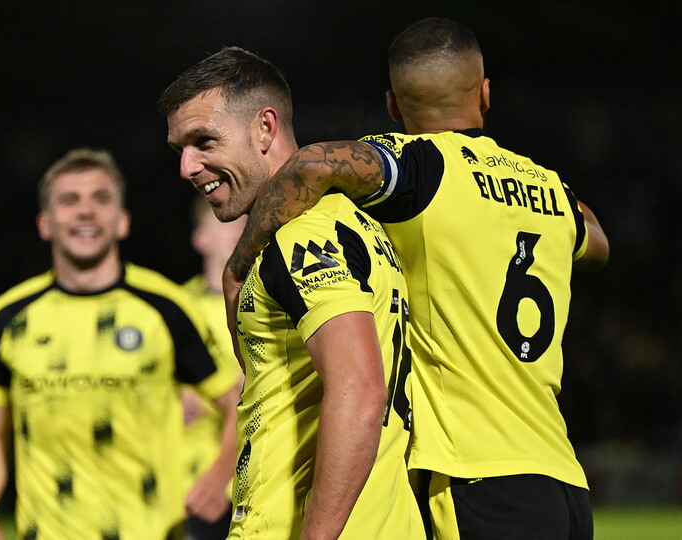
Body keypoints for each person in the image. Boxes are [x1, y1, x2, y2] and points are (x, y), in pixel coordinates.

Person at [221, 19, 610, 540]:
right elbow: (597, 242)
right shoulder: (549, 188)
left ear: (393, 106)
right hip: (561, 479)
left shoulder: (421, 168)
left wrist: (240, 262)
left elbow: (313, 163)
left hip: (474, 478)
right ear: (485, 93)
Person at [161, 47, 423, 540]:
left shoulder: (298, 237)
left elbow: (361, 391)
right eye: (181, 150)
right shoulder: (351, 222)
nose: (188, 167)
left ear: (265, 128)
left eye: (204, 142)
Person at [0, 149, 241, 540]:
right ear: (44, 223)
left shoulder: (166, 309)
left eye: (101, 199)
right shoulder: (8, 317)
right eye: (69, 200)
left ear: (123, 221)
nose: (86, 211)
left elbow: (237, 403)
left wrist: (218, 478)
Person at [180, 198, 246, 540]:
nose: (235, 230)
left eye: (242, 221)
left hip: (252, 487)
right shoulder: (176, 309)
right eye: (223, 222)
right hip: (189, 487)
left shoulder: (269, 305)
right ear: (200, 238)